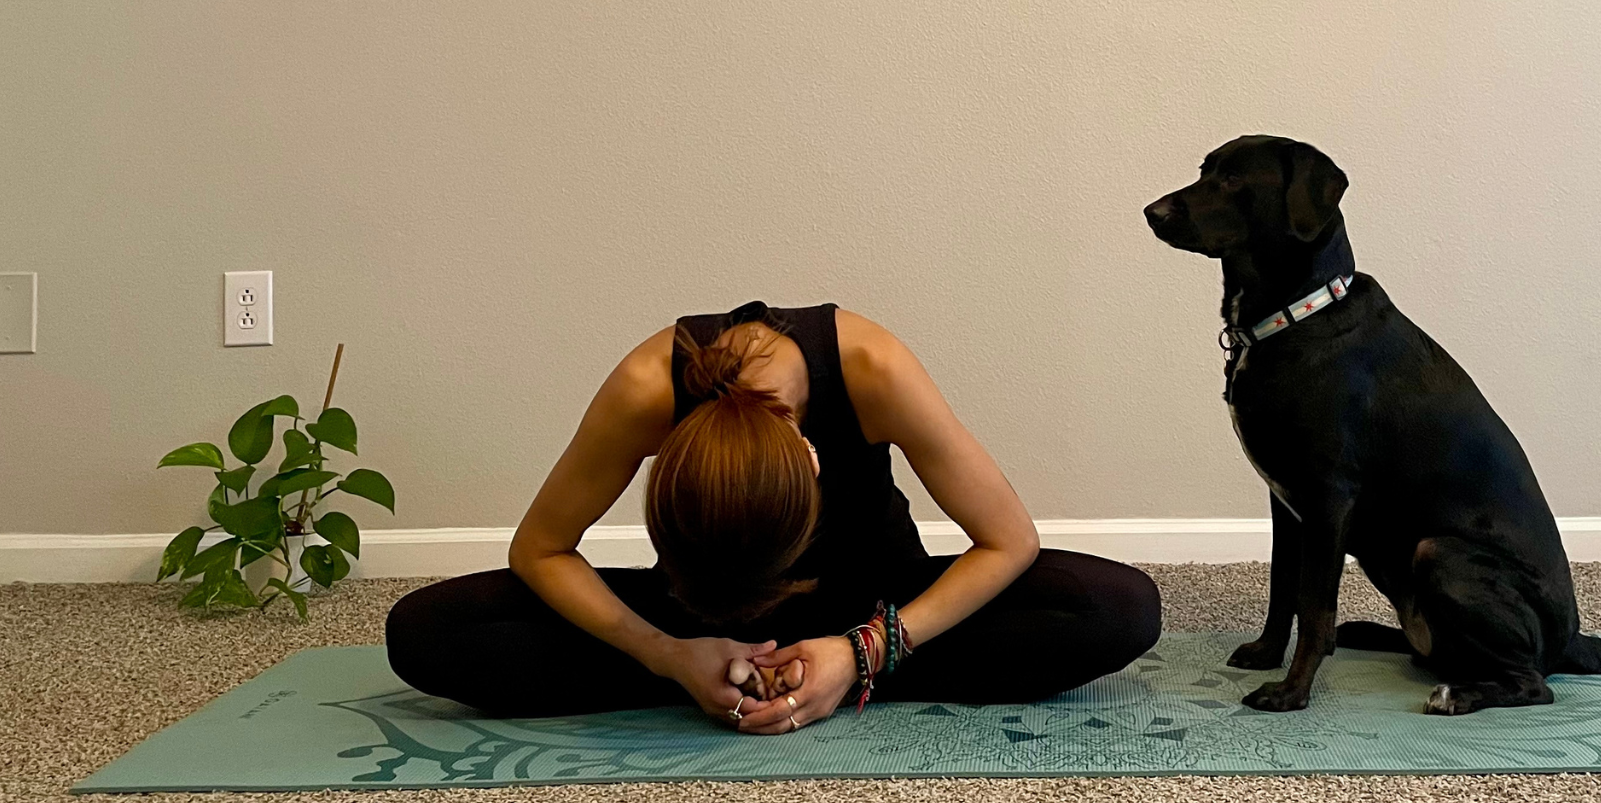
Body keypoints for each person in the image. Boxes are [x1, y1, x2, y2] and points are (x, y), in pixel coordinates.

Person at [385, 301, 1162, 732]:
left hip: (874, 605)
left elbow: (1009, 540)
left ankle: (811, 676)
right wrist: (667, 652)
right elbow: (542, 548)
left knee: (1117, 609)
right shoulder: (644, 390)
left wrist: (864, 650)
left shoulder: (871, 368)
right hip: (698, 621)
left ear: (812, 461)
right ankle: (724, 675)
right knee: (426, 632)